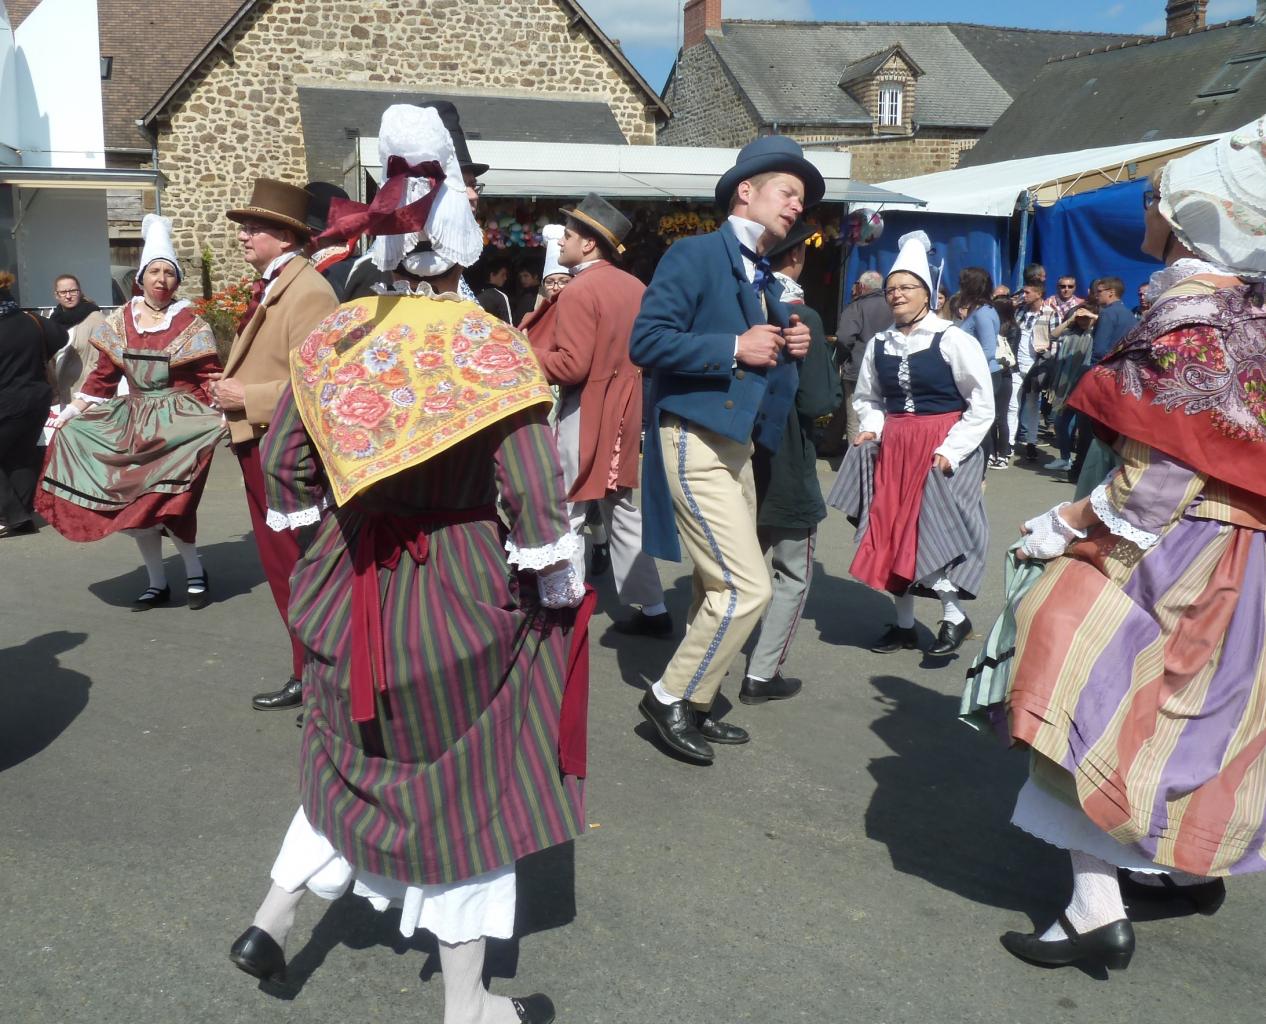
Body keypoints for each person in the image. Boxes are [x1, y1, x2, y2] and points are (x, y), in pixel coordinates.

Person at [227, 104, 580, 1024]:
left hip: (351, 576)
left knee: (351, 754)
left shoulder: (334, 341)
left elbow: (285, 471)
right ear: (460, 244)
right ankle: (467, 1005)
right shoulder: (490, 350)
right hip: (459, 579)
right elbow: (534, 493)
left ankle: (273, 918)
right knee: (467, 781)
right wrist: (553, 579)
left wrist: (334, 533)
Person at [967, 116, 1266, 971]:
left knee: (1073, 692)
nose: (1149, 210)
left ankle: (1096, 905)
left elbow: (1157, 480)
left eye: (1157, 200)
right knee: (1188, 718)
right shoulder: (1253, 312)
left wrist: (1063, 525)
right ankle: (1174, 868)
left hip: (1175, 550)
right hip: (1246, 556)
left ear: (1186, 218)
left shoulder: (1190, 316)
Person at [630, 135, 823, 764]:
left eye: (800, 199)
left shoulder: (764, 274)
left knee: (713, 583)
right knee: (748, 587)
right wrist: (733, 348)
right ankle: (667, 696)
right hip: (691, 435)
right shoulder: (693, 254)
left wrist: (784, 354)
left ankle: (699, 700)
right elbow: (648, 341)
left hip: (735, 447)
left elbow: (762, 370)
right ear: (747, 189)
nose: (796, 206)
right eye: (787, 192)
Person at [38, 216, 227, 608]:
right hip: (133, 420)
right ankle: (156, 582)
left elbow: (208, 377)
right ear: (141, 277)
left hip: (177, 426)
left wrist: (220, 415)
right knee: (136, 508)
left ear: (176, 281)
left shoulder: (191, 324)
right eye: (155, 271)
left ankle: (195, 571)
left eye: (169, 273)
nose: (162, 279)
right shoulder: (120, 322)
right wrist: (71, 413)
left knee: (175, 504)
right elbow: (101, 380)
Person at [827, 231, 993, 655]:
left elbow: (981, 405)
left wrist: (951, 451)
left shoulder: (954, 339)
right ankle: (904, 625)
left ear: (928, 293)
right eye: (891, 289)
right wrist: (872, 427)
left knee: (929, 533)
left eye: (905, 288)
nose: (896, 295)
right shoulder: (881, 343)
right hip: (896, 448)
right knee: (891, 533)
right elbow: (869, 398)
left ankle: (954, 615)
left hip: (941, 446)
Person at [214, 179, 339, 708]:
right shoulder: (282, 282)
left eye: (254, 227)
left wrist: (248, 395)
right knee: (283, 566)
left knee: (296, 565)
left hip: (280, 446)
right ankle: (309, 670)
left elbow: (322, 378)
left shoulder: (308, 290)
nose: (244, 236)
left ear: (285, 237)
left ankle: (317, 674)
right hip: (260, 442)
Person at [525, 193, 670, 635]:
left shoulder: (579, 289)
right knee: (623, 510)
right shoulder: (634, 286)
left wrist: (525, 356)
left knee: (567, 508)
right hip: (627, 409)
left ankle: (564, 604)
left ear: (589, 245)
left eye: (568, 235)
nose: (562, 242)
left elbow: (571, 365)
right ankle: (654, 608)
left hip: (586, 410)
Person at [744, 220, 840, 696]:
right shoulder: (803, 315)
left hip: (739, 450)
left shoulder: (742, 302)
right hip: (785, 455)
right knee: (791, 571)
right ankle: (762, 672)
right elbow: (816, 401)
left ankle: (715, 659)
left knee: (739, 565)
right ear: (798, 256)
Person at [0, 271, 55, 538]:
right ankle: (22, 520)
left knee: (17, 456)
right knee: (19, 458)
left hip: (6, 404)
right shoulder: (33, 321)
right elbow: (61, 338)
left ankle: (14, 514)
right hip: (37, 400)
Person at [820, 269, 891, 456]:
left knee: (856, 417)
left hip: (858, 369)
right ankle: (829, 443)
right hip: (888, 368)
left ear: (861, 287)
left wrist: (842, 358)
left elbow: (844, 338)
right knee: (866, 411)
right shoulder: (892, 304)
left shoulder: (856, 307)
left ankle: (856, 460)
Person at [956, 267, 1002, 465]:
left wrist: (965, 367)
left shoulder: (983, 313)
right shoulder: (980, 310)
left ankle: (979, 465)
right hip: (982, 374)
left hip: (984, 375)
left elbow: (988, 350)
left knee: (978, 422)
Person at [1010, 277, 1055, 461]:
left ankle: (1031, 442)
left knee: (1032, 406)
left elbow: (1055, 340)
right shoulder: (1020, 311)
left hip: (1035, 367)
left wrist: (1046, 362)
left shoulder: (1050, 313)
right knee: (1013, 406)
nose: (1024, 295)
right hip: (1016, 365)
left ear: (1039, 294)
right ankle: (1009, 443)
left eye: (1028, 292)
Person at [47, 273, 105, 406]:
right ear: (56, 295)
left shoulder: (96, 319)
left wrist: (90, 392)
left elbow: (104, 361)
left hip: (88, 398)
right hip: (64, 395)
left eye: (73, 291)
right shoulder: (54, 321)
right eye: (63, 292)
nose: (68, 296)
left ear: (80, 292)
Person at [988, 297, 1017, 468]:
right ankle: (991, 452)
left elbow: (1010, 355)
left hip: (1004, 374)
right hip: (992, 374)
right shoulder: (990, 328)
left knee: (1002, 417)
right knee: (991, 416)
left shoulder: (1012, 328)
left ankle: (1004, 453)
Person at [1089, 276, 1135, 362]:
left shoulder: (1107, 313)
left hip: (1104, 366)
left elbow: (1099, 350)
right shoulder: (1130, 314)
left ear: (1111, 292)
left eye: (1099, 291)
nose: (1096, 295)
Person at [512, 260, 542, 325]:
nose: (522, 280)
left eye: (526, 276)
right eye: (521, 277)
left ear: (535, 276)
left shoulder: (533, 294)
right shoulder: (525, 293)